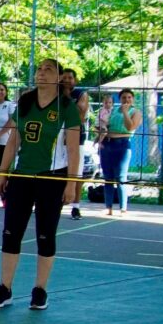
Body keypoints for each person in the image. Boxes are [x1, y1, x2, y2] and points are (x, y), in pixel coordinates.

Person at [0, 58, 81, 311]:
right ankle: (4, 288)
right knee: (10, 233)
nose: (41, 72)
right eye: (39, 68)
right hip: (22, 176)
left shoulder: (67, 107)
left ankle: (40, 290)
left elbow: (73, 149)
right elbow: (13, 140)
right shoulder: (26, 102)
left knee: (45, 235)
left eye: (48, 69)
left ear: (59, 77)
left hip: (52, 178)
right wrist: (2, 173)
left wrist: (71, 184)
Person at [101, 88, 141, 215]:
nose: (126, 100)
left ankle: (123, 208)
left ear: (132, 99)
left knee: (121, 177)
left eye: (129, 97)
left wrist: (125, 113)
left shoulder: (136, 112)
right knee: (107, 177)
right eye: (124, 97)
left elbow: (130, 127)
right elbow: (106, 125)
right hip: (107, 144)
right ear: (120, 99)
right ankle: (108, 207)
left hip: (122, 144)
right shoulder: (113, 110)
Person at [60, 69, 89, 219]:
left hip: (76, 137)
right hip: (58, 137)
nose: (66, 80)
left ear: (75, 80)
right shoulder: (54, 94)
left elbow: (80, 114)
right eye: (64, 78)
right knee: (56, 171)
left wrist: (66, 95)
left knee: (76, 173)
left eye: (70, 78)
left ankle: (76, 207)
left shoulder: (80, 94)